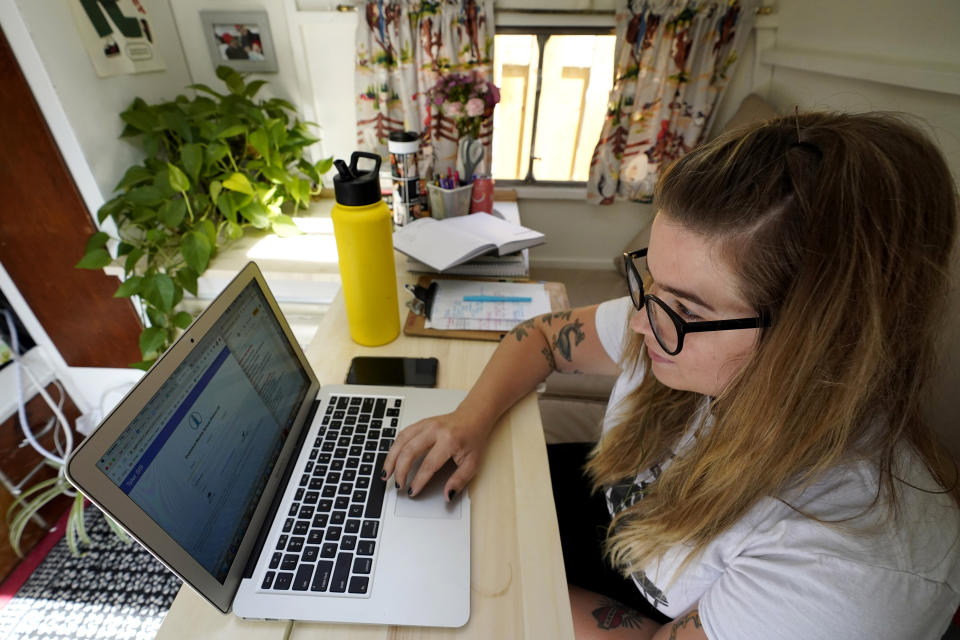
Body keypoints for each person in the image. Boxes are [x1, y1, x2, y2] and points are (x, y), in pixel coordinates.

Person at [382, 111, 960, 639]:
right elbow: (539, 336)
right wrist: (468, 420)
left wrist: (492, 583)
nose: (638, 321)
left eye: (686, 308)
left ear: (818, 339)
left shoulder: (848, 569)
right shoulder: (668, 327)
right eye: (651, 279)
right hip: (601, 513)